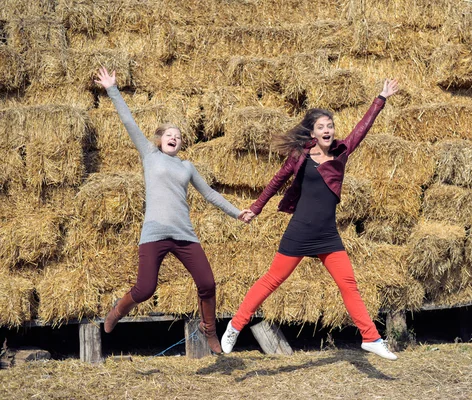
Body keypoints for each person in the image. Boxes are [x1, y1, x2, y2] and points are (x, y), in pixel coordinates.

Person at [220, 78, 400, 360]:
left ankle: (371, 337)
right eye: (321, 127)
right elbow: (276, 181)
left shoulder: (342, 152)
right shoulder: (300, 155)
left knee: (348, 284)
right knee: (271, 280)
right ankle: (236, 325)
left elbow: (361, 129)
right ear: (312, 133)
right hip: (301, 230)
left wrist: (380, 99)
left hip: (328, 233)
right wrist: (256, 208)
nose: (327, 130)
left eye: (330, 126)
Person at [94, 67, 252, 354]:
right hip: (154, 233)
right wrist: (112, 89)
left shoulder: (187, 167)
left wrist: (237, 212)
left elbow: (210, 194)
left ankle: (210, 331)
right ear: (159, 140)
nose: (174, 137)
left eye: (178, 136)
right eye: (169, 134)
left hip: (184, 234)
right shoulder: (149, 155)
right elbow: (129, 122)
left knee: (207, 283)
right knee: (145, 289)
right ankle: (118, 309)